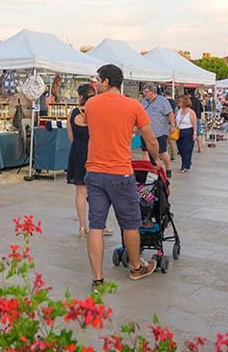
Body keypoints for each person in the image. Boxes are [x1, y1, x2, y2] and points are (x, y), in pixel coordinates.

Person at [84, 64, 160, 290]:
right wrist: (155, 160)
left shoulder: (91, 104)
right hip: (120, 172)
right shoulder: (133, 105)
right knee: (130, 224)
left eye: (97, 79)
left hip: (95, 172)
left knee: (96, 225)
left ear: (106, 81)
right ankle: (136, 267)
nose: (95, 83)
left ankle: (97, 278)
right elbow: (151, 140)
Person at [66, 83, 104, 239]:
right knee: (98, 192)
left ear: (80, 97)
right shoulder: (97, 112)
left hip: (77, 153)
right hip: (94, 153)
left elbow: (71, 137)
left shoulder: (72, 113)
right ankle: (100, 226)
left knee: (80, 192)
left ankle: (82, 227)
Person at [139, 82, 175, 176]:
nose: (145, 94)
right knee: (146, 151)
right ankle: (148, 170)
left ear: (153, 92)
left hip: (160, 131)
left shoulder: (162, 101)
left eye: (146, 92)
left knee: (162, 151)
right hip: (146, 131)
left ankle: (168, 169)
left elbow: (170, 113)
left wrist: (172, 125)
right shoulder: (144, 101)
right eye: (144, 92)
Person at [174, 94, 198, 173]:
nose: (178, 103)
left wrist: (195, 133)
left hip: (188, 131)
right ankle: (187, 162)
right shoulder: (179, 111)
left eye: (180, 101)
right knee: (180, 149)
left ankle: (184, 166)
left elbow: (194, 123)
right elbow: (176, 120)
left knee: (186, 149)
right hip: (179, 131)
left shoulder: (191, 112)